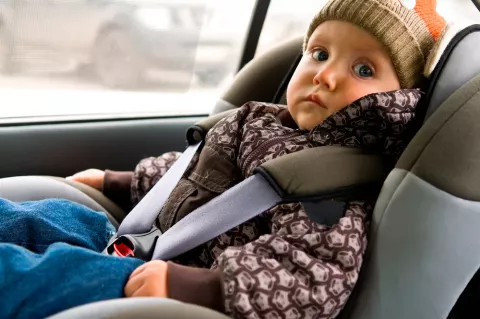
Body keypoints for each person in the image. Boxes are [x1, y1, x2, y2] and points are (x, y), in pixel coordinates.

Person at [1, 0, 447, 318]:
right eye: (319, 53)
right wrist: (119, 181)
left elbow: (310, 276)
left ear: (397, 98)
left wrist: (197, 287)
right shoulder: (262, 123)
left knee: (40, 273)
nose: (326, 75)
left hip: (182, 282)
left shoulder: (336, 181)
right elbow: (192, 173)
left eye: (363, 69)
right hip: (145, 239)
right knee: (40, 216)